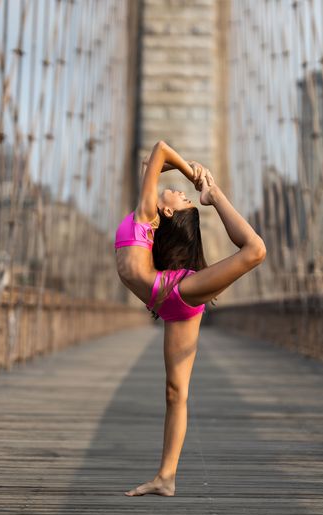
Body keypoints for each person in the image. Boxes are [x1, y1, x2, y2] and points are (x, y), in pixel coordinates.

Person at [114, 140, 266, 497]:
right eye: (181, 194)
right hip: (167, 299)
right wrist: (184, 169)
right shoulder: (149, 210)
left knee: (256, 250)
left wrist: (199, 183)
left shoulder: (147, 213)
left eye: (181, 198)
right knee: (174, 393)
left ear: (166, 214)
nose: (179, 192)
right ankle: (166, 477)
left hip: (177, 293)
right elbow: (149, 162)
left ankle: (219, 200)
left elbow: (161, 149)